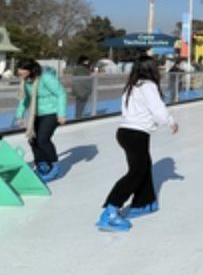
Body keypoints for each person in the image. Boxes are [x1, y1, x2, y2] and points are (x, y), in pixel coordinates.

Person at [96, 56, 178, 232]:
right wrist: (170, 121)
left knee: (144, 166)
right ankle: (110, 211)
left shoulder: (133, 86)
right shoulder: (148, 86)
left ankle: (144, 203)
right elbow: (158, 110)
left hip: (125, 132)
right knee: (136, 172)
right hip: (136, 133)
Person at [15, 59, 67, 183]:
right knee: (33, 139)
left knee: (43, 140)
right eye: (19, 70)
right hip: (36, 114)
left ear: (30, 70)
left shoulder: (46, 78)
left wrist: (61, 114)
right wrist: (19, 115)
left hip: (52, 112)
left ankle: (55, 167)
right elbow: (25, 99)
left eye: (22, 70)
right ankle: (42, 164)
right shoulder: (26, 81)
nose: (19, 73)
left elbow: (61, 94)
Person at [69, 55, 95, 119]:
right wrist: (90, 90)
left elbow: (74, 80)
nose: (88, 62)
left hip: (78, 90)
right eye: (86, 61)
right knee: (82, 106)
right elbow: (88, 79)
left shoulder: (76, 69)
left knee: (78, 105)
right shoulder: (85, 69)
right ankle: (79, 117)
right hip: (84, 90)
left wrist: (73, 91)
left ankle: (77, 117)